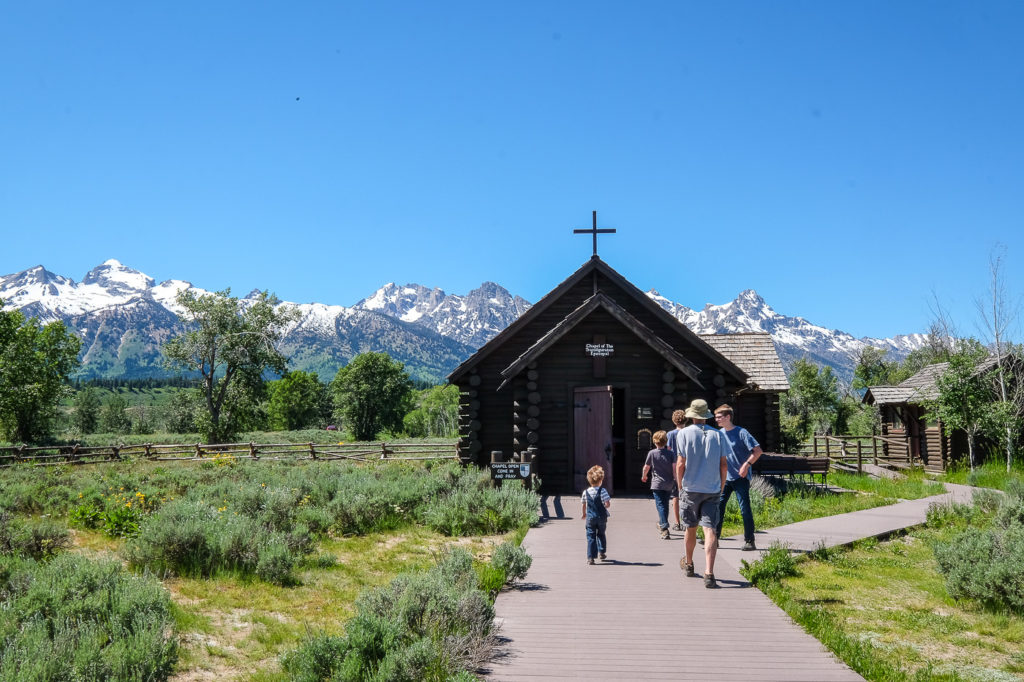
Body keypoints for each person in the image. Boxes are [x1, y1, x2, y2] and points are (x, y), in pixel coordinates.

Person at [674, 398, 731, 588]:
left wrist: (680, 486)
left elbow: (681, 463)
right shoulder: (718, 435)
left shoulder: (683, 434)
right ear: (706, 416)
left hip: (690, 488)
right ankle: (709, 573)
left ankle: (689, 564)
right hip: (712, 488)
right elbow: (724, 465)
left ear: (691, 415)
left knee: (690, 528)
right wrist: (721, 486)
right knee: (710, 530)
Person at [714, 404, 764, 551]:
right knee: (718, 507)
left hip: (741, 477)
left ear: (728, 417)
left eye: (719, 417)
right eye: (716, 417)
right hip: (725, 478)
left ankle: (750, 541)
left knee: (744, 509)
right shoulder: (719, 433)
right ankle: (714, 539)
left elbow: (758, 451)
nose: (716, 420)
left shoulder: (742, 432)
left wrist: (746, 465)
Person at [642, 430, 675, 539]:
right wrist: (676, 479)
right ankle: (662, 523)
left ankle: (664, 527)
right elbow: (674, 468)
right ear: (666, 442)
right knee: (665, 504)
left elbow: (647, 467)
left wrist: (644, 476)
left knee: (660, 505)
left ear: (654, 442)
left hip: (657, 483)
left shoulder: (652, 453)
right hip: (669, 483)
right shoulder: (671, 453)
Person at [581, 465, 611, 564]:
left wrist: (584, 514)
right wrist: (603, 507)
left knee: (591, 536)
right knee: (601, 534)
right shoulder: (603, 491)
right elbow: (607, 504)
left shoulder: (585, 492)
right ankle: (602, 551)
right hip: (601, 517)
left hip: (590, 517)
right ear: (601, 480)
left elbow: (584, 505)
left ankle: (590, 558)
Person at [664, 410, 686, 530]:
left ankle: (677, 522)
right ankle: (689, 522)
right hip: (687, 465)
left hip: (674, 466)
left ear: (673, 421)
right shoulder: (689, 432)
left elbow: (667, 450)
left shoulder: (670, 434)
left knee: (675, 496)